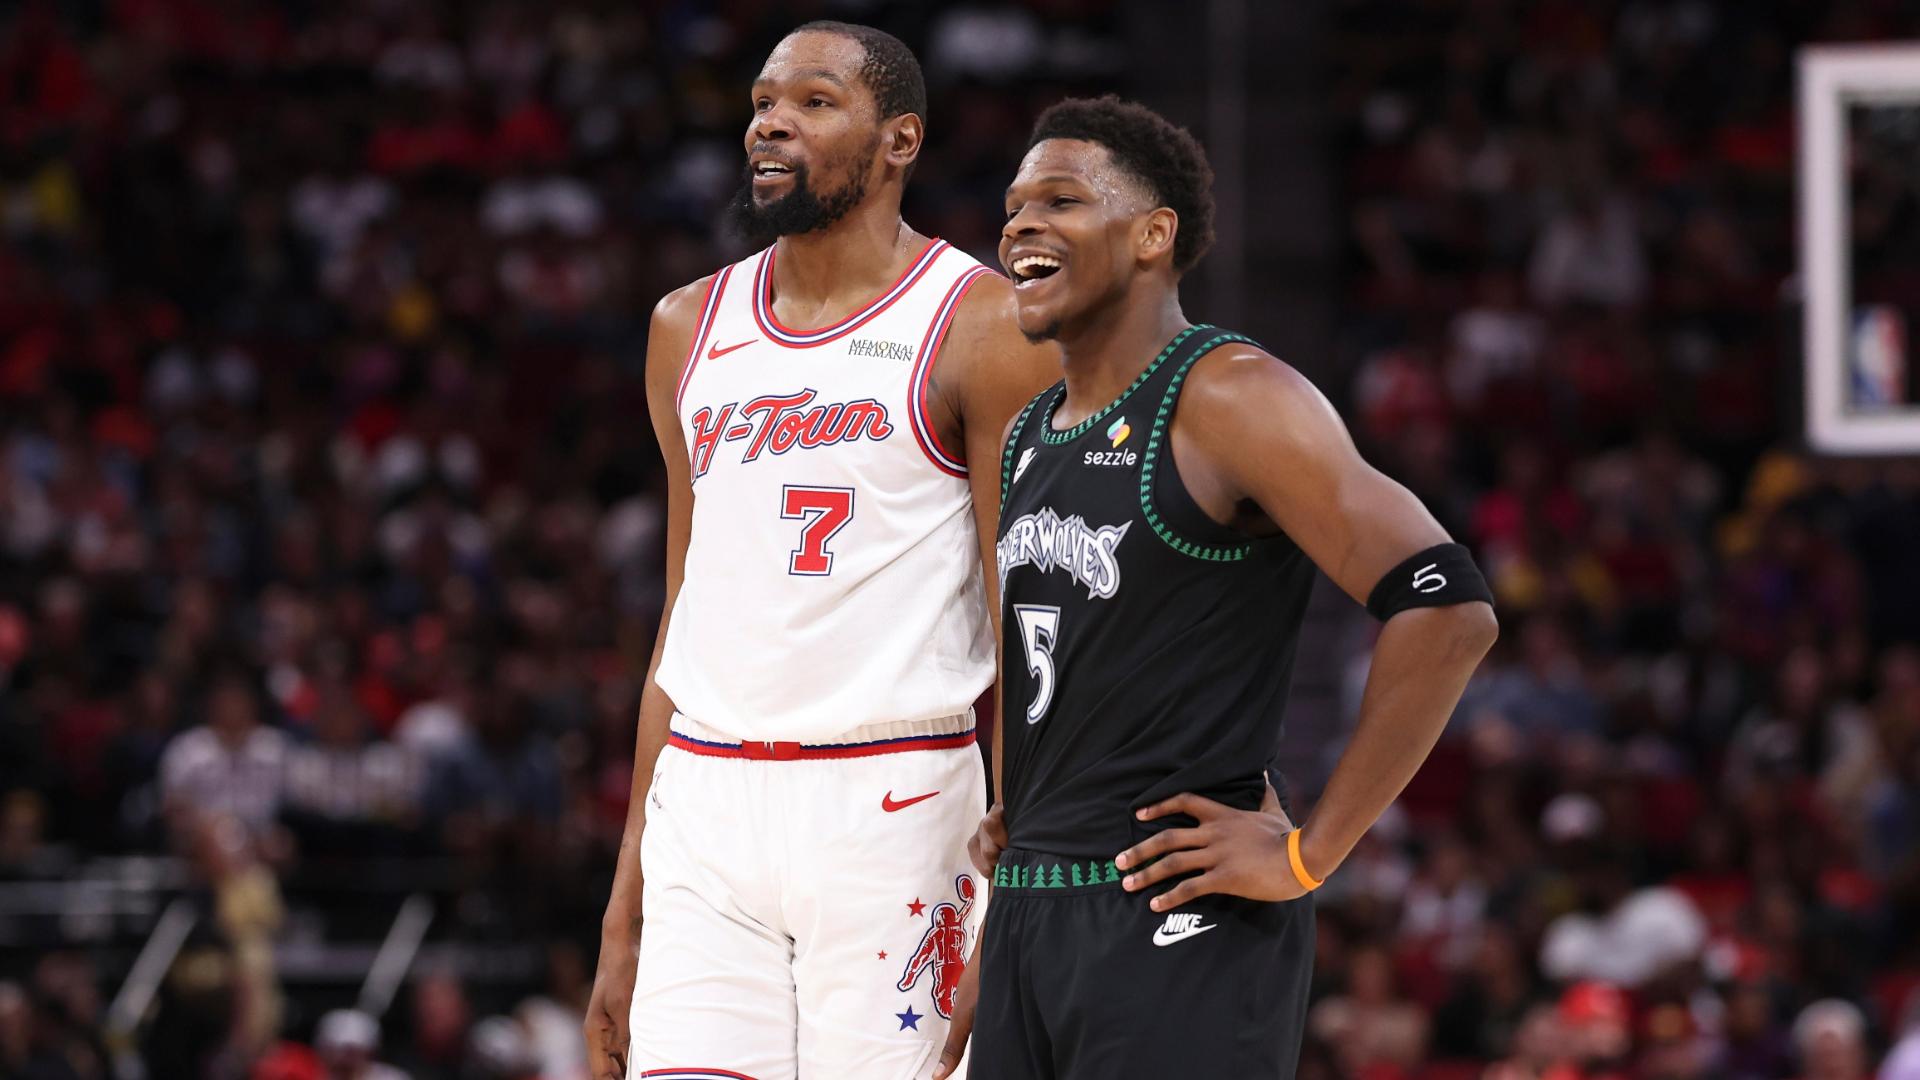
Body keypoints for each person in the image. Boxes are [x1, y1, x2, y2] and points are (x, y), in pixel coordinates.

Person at [954, 96, 1499, 1078]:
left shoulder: (1230, 396)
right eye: (1013, 207)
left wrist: (1310, 854)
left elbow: (1448, 608)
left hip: (1170, 919)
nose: (1020, 226)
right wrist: (1018, 831)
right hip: (1034, 910)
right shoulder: (1033, 431)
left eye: (1061, 201)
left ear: (1154, 234)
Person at [581, 21, 1057, 1080]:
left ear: (899, 140)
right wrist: (628, 900)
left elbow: (1029, 620)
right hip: (704, 804)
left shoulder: (982, 325)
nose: (771, 122)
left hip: (897, 805)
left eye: (812, 101)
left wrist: (1014, 882)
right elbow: (680, 621)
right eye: (761, 101)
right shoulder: (685, 326)